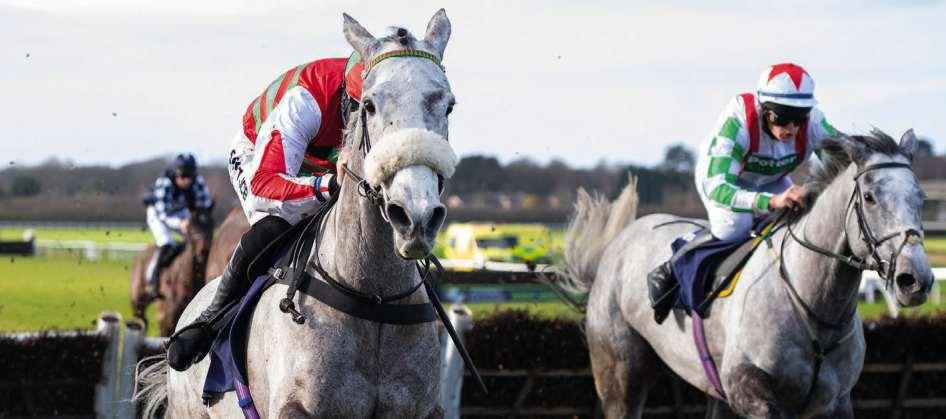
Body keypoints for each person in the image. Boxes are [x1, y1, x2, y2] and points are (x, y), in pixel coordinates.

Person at [165, 55, 366, 371]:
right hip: (258, 159)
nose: (359, 124)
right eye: (355, 110)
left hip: (318, 164)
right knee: (277, 225)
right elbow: (265, 185)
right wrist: (328, 185)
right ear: (345, 97)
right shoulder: (304, 102)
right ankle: (209, 321)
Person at [647, 63, 840, 324]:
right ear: (765, 110)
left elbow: (846, 160)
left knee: (798, 219)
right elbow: (718, 188)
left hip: (771, 179)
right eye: (783, 117)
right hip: (723, 181)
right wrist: (770, 201)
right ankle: (672, 265)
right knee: (735, 227)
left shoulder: (814, 122)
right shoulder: (738, 122)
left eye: (799, 118)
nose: (792, 128)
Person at [144, 153, 212, 300]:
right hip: (157, 213)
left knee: (195, 242)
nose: (187, 180)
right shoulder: (164, 182)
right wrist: (180, 224)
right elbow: (163, 214)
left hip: (181, 212)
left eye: (190, 176)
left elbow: (204, 208)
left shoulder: (198, 182)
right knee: (166, 242)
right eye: (183, 176)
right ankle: (153, 281)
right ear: (175, 174)